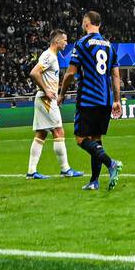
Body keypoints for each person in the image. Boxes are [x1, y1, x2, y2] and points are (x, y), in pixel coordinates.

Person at [62, 11, 124, 190]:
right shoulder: (109, 45)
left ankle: (111, 163)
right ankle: (94, 181)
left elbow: (71, 73)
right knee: (96, 140)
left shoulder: (82, 44)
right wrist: (117, 100)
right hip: (105, 100)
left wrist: (61, 93)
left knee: (81, 139)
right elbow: (115, 74)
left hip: (88, 99)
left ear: (87, 23)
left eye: (83, 21)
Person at [25, 29, 82, 179]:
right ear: (57, 41)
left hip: (44, 99)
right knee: (58, 131)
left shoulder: (52, 56)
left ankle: (31, 172)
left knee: (41, 134)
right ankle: (65, 169)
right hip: (46, 100)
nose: (66, 43)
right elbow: (34, 72)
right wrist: (47, 91)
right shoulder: (49, 56)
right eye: (65, 40)